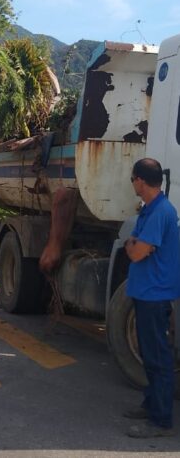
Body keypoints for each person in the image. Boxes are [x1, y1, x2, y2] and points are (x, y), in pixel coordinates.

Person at [123, 158, 180, 438]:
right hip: (145, 292)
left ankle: (161, 420)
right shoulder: (150, 209)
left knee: (158, 357)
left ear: (141, 181)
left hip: (154, 294)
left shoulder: (160, 213)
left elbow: (134, 251)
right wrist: (134, 244)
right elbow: (134, 243)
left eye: (133, 179)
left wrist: (133, 245)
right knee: (149, 354)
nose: (132, 183)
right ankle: (151, 403)